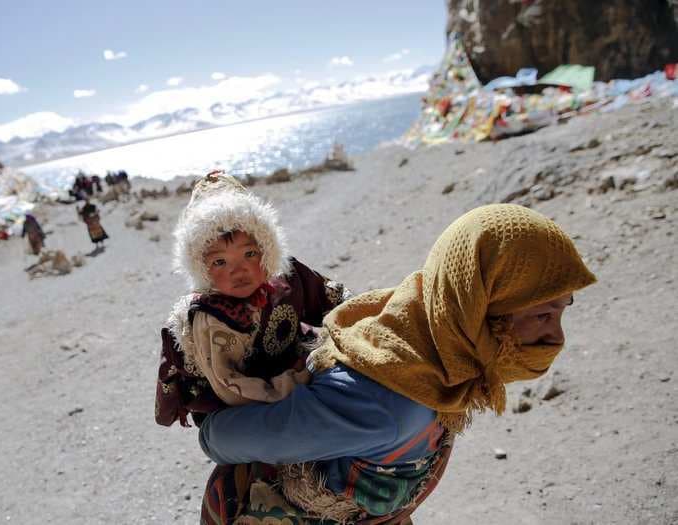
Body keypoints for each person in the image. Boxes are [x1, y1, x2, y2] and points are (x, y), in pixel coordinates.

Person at [196, 203, 597, 524]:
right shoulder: (403, 389)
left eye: (561, 311)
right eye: (543, 315)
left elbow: (222, 441)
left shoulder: (422, 318)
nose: (557, 337)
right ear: (477, 305)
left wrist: (210, 427)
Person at [155, 171, 350, 429]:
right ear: (200, 268)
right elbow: (231, 388)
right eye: (219, 262)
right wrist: (306, 378)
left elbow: (335, 299)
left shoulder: (286, 277)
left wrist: (366, 319)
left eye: (249, 253)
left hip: (298, 377)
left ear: (267, 248)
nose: (239, 270)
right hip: (238, 409)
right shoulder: (208, 318)